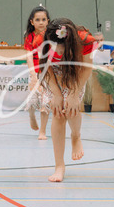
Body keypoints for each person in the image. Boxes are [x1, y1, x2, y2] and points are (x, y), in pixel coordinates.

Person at [40, 18, 95, 182]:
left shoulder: (86, 40)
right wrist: (56, 94)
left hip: (76, 73)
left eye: (61, 47)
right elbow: (46, 69)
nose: (58, 50)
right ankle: (59, 166)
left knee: (71, 107)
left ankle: (76, 136)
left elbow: (87, 68)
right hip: (54, 74)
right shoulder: (43, 41)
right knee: (58, 113)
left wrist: (74, 93)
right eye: (54, 46)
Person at [23, 6, 51, 140]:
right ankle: (31, 115)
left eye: (43, 20)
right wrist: (33, 75)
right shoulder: (29, 37)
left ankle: (42, 131)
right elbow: (29, 56)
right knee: (32, 100)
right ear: (32, 22)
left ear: (48, 21)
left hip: (48, 73)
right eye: (37, 20)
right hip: (34, 72)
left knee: (45, 101)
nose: (41, 22)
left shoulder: (51, 36)